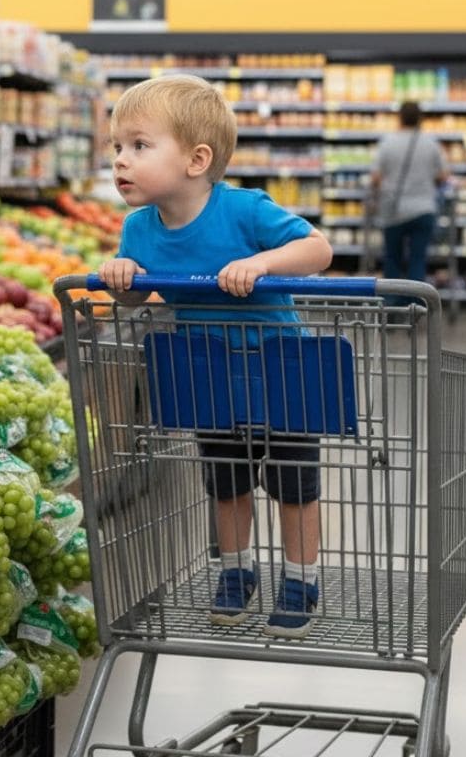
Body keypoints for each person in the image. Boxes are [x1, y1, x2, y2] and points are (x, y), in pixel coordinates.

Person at [98, 75, 333, 639]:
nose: (120, 161)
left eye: (139, 145)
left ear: (197, 159)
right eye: (117, 148)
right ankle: (236, 572)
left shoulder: (245, 209)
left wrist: (264, 264)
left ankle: (302, 577)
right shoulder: (138, 228)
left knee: (293, 484)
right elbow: (136, 294)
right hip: (208, 373)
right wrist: (121, 278)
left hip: (281, 369)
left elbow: (319, 249)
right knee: (225, 481)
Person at [371, 100, 451, 293]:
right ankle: (415, 308)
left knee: (392, 259)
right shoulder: (431, 144)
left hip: (393, 210)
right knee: (417, 259)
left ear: (400, 118)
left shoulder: (387, 143)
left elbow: (376, 177)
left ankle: (390, 309)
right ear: (420, 119)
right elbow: (443, 175)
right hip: (423, 209)